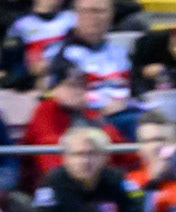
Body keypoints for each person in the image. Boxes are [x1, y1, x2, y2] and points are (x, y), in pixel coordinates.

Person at [22, 60, 128, 188]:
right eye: (71, 85)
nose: (78, 91)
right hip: (55, 184)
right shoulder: (46, 110)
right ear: (55, 88)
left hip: (94, 180)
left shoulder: (89, 113)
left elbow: (117, 145)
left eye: (82, 85)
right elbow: (50, 158)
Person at [54, 0, 136, 132]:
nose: (92, 17)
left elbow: (136, 89)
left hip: (126, 113)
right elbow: (66, 96)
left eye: (99, 11)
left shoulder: (120, 53)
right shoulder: (65, 54)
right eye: (86, 11)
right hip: (90, 122)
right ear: (76, 15)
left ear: (111, 15)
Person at [3, 0, 75, 91]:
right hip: (31, 84)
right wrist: (28, 70)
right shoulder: (20, 25)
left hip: (65, 78)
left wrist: (53, 65)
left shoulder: (72, 19)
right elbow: (11, 62)